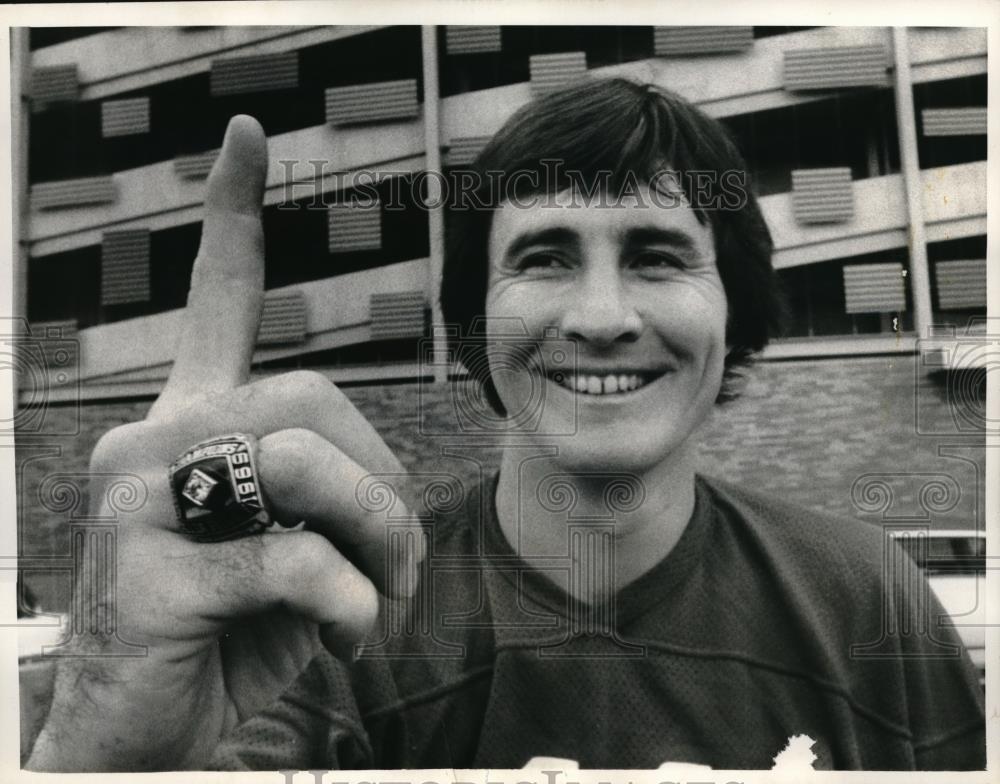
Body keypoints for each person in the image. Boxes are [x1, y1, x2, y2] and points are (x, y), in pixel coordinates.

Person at [26, 78, 984, 772]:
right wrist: (101, 745)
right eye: (544, 257)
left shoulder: (869, 602)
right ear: (475, 328)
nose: (602, 316)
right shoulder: (333, 627)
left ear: (732, 313)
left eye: (657, 257)